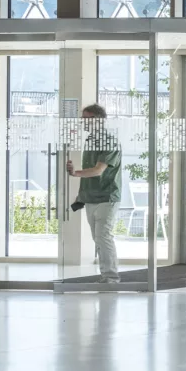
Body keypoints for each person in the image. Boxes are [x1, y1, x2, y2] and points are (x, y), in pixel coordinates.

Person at [64, 104, 121, 284]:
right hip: (90, 197)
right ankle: (106, 275)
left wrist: (76, 173)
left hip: (107, 196)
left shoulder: (109, 141)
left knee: (103, 237)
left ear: (99, 120)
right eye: (83, 120)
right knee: (98, 238)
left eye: (87, 119)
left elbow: (98, 170)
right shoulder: (90, 140)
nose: (84, 123)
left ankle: (111, 277)